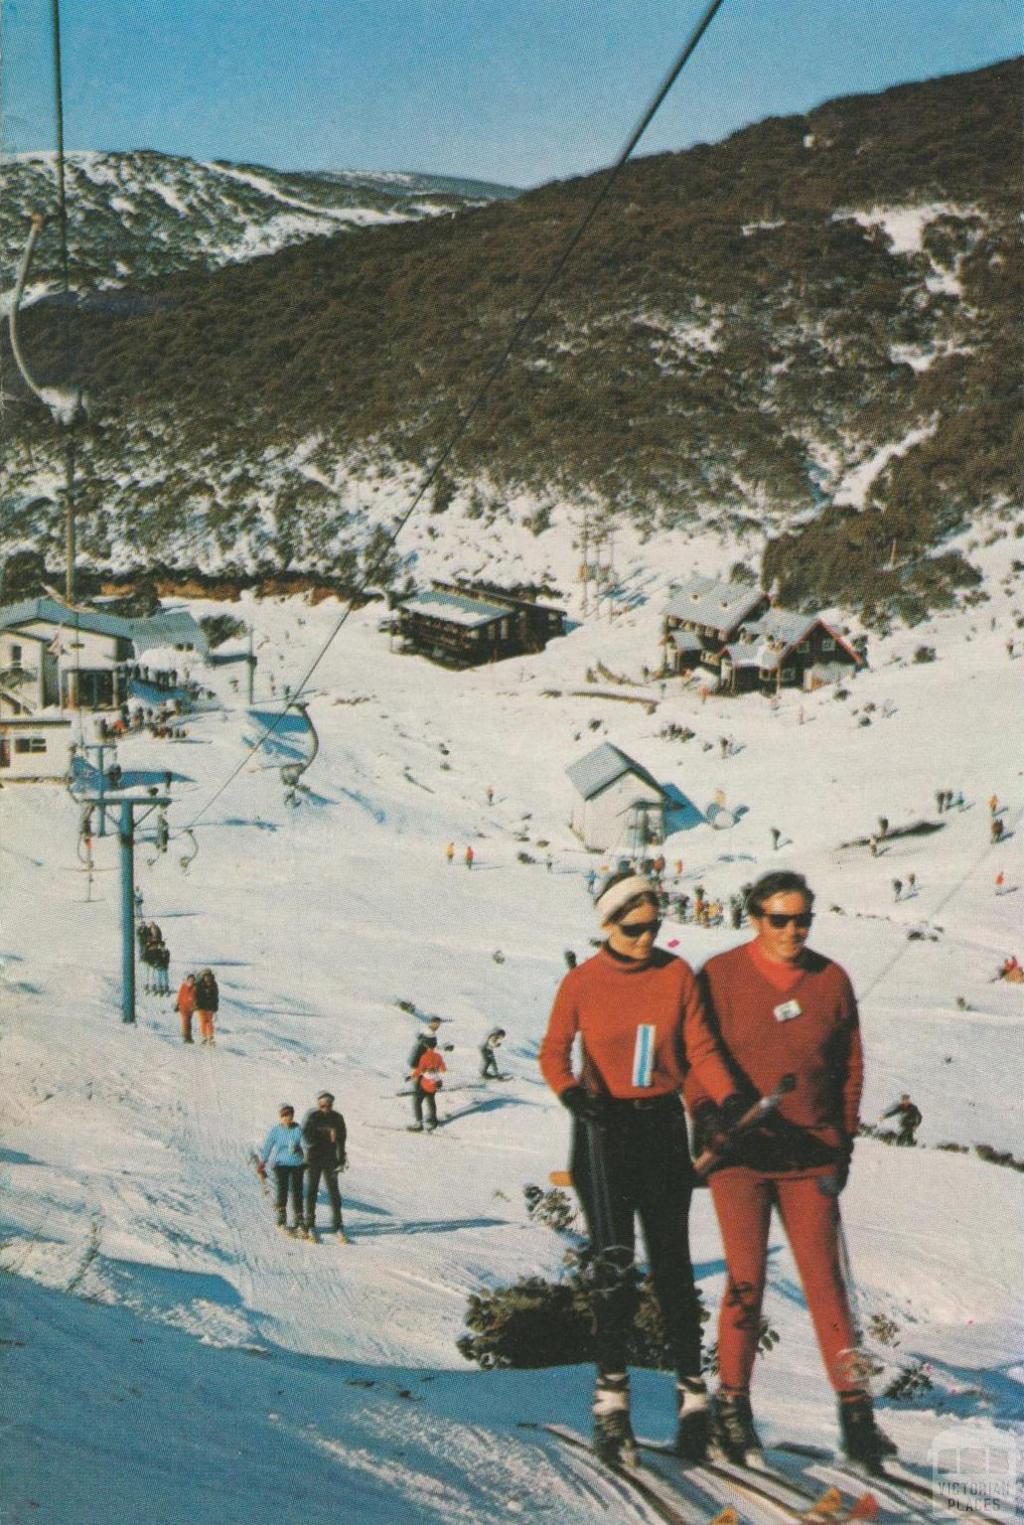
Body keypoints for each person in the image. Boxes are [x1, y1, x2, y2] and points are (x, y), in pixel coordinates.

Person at [685, 870, 895, 1471]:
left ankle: (857, 1420)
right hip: (743, 1156)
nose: (792, 930)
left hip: (811, 1158)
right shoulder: (720, 976)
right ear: (755, 917)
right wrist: (705, 1116)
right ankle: (733, 1411)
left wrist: (844, 1141)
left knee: (827, 1282)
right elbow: (697, 1059)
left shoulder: (831, 979)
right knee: (745, 1280)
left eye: (802, 918)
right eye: (780, 918)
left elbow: (850, 1066)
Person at [540, 871, 741, 1468]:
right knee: (613, 1267)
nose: (646, 936)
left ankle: (692, 1404)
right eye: (633, 928)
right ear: (607, 926)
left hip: (659, 1127)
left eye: (655, 926)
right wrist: (574, 1095)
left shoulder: (675, 975)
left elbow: (700, 1048)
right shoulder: (581, 982)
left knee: (675, 1268)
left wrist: (727, 1099)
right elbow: (553, 1052)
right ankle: (610, 1407)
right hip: (602, 1132)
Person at [301, 1091, 348, 1242]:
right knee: (312, 1190)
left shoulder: (337, 1118)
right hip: (314, 1158)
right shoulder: (313, 1117)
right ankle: (309, 1223)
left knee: (334, 1192)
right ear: (318, 1104)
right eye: (322, 1105)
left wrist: (341, 1159)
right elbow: (305, 1136)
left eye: (328, 1104)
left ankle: (338, 1224)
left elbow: (342, 1140)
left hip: (330, 1160)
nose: (325, 1107)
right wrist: (318, 1135)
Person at [258, 1104, 305, 1233]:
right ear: (280, 1117)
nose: (287, 1118)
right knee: (282, 1188)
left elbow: (306, 1143)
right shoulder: (276, 1131)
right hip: (280, 1164)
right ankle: (281, 1215)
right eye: (284, 1115)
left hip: (297, 1163)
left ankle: (299, 1217)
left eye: (289, 1115)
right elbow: (268, 1145)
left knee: (297, 1191)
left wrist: (302, 1151)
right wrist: (262, 1161)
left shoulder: (298, 1129)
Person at [408, 1037, 446, 1131]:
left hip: (424, 1084)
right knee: (431, 1101)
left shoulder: (424, 1057)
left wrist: (411, 1077)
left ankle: (418, 1124)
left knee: (417, 1101)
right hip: (434, 1084)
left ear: (426, 1045)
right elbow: (443, 1069)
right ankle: (433, 1120)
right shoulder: (438, 1056)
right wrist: (435, 1069)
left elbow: (419, 1070)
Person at [194, 967, 219, 1045]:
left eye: (209, 976)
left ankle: (210, 1036)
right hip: (201, 1006)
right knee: (203, 1021)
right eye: (206, 976)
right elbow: (195, 995)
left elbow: (215, 996)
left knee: (209, 1021)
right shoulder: (199, 985)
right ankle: (204, 1036)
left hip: (210, 1006)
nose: (207, 978)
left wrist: (215, 1005)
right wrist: (196, 1004)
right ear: (203, 977)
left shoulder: (213, 985)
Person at [175, 971, 197, 1044]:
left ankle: (189, 1036)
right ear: (187, 980)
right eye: (190, 980)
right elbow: (180, 995)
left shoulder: (195, 988)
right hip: (183, 1007)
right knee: (186, 1021)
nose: (191, 981)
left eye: (193, 980)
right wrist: (177, 1004)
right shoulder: (183, 986)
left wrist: (195, 1006)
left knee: (188, 1022)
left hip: (191, 1008)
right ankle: (186, 1037)